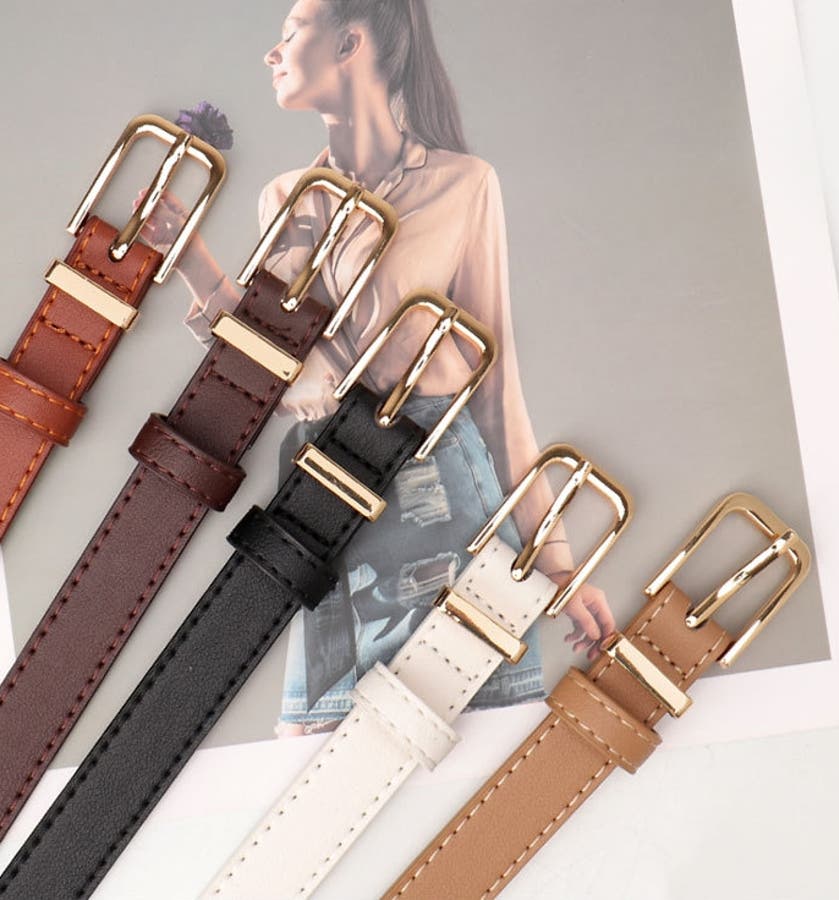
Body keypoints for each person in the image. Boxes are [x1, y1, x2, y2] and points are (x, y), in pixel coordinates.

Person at [142, 0, 615, 735]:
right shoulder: (286, 196)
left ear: (350, 43)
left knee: (471, 735)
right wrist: (190, 257)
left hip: (437, 481)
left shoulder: (463, 185)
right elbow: (274, 364)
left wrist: (555, 561)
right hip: (324, 484)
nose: (272, 52)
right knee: (310, 736)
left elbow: (496, 388)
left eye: (291, 32)